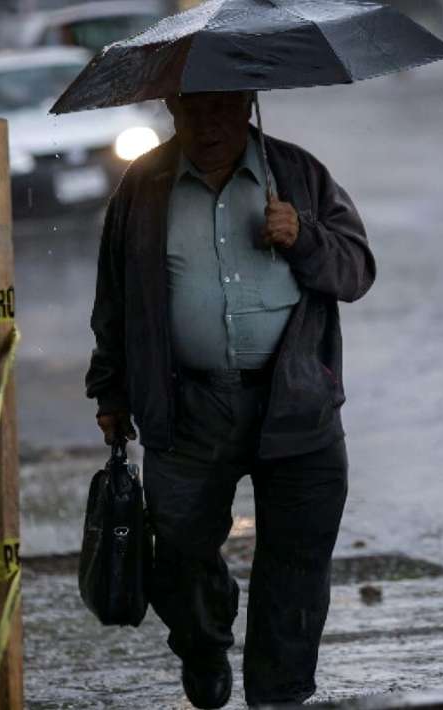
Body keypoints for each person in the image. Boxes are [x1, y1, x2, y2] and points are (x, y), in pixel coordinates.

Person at [86, 90, 375, 708]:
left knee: (296, 564)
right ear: (170, 109)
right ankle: (204, 641)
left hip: (296, 401)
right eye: (192, 112)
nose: (207, 126)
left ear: (246, 104)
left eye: (220, 110)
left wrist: (302, 236)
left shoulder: (297, 172)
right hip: (187, 405)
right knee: (181, 550)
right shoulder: (145, 184)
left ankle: (278, 693)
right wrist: (109, 389)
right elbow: (114, 296)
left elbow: (356, 271)